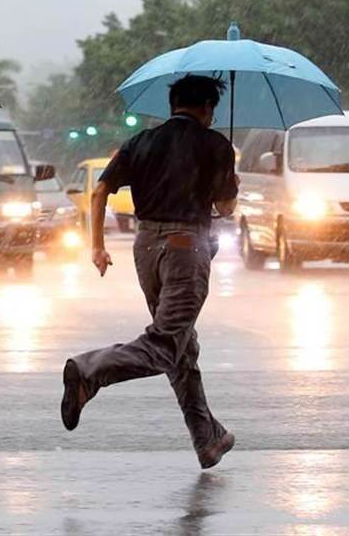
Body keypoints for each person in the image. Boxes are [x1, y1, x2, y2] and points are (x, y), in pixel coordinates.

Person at [60, 74, 239, 470]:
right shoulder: (216, 146)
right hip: (185, 248)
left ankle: (207, 439)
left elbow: (99, 191)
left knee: (182, 346)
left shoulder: (141, 141)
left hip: (146, 248)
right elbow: (225, 208)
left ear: (173, 104)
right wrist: (232, 186)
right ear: (208, 108)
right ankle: (90, 372)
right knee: (164, 344)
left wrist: (97, 246)